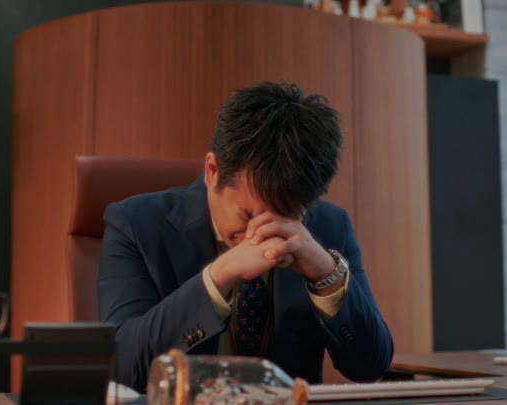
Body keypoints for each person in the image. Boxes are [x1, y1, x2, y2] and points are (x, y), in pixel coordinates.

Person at [98, 82, 393, 392]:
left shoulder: (330, 227)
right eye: (249, 215)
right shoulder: (135, 224)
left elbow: (371, 366)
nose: (261, 234)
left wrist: (325, 275)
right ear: (212, 171)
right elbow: (123, 367)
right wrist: (219, 275)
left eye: (285, 217)